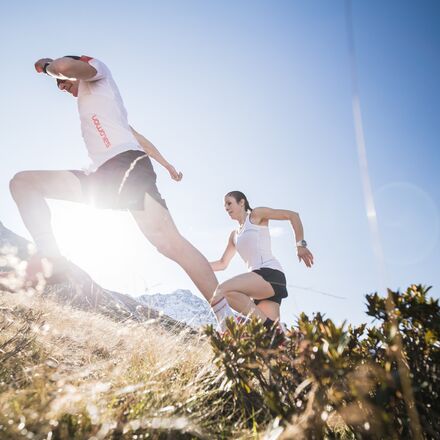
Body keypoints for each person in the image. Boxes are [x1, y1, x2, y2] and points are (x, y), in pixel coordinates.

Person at [9, 55, 218, 305]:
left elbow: (62, 67)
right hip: (106, 174)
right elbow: (138, 136)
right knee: (23, 183)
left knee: (171, 244)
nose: (61, 86)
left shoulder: (97, 71)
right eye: (59, 84)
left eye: (62, 82)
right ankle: (51, 257)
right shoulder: (102, 104)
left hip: (125, 165)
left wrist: (47, 67)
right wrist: (166, 164)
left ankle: (227, 318)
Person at [209, 191, 314, 332]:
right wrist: (197, 265)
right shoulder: (234, 235)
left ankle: (227, 331)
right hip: (258, 286)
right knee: (267, 338)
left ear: (242, 202)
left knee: (222, 291)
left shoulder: (256, 215)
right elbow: (222, 263)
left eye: (229, 203)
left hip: (270, 273)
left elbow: (293, 215)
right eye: (224, 206)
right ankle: (275, 332)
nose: (227, 208)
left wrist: (300, 245)